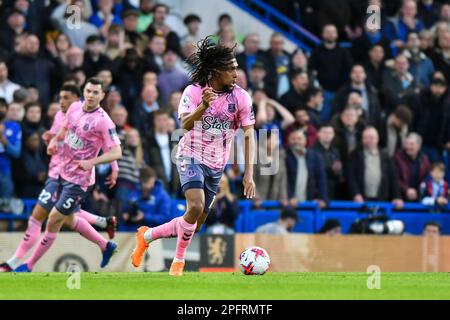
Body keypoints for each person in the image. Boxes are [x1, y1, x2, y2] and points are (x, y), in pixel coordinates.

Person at [131, 36, 256, 276]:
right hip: (190, 155)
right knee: (195, 205)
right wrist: (203, 108)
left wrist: (248, 174)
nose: (236, 73)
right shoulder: (194, 91)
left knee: (194, 224)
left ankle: (146, 235)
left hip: (217, 165)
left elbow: (249, 134)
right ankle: (178, 263)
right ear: (216, 70)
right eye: (231, 68)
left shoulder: (241, 97)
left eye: (236, 68)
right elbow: (185, 125)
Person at [0, 84, 118, 272]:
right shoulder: (61, 115)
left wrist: (114, 168)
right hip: (58, 172)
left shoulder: (96, 118)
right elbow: (60, 135)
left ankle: (18, 264)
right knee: (66, 218)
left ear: (77, 99)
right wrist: (52, 139)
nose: (61, 102)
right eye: (60, 97)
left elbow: (110, 147)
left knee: (53, 218)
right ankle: (105, 237)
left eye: (66, 98)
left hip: (78, 177)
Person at [347, 127, 403, 207]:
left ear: (377, 139)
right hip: (360, 200)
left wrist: (397, 196)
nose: (369, 140)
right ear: (362, 139)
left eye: (372, 137)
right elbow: (350, 177)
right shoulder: (354, 156)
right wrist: (355, 193)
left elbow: (393, 178)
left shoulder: (385, 156)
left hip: (381, 200)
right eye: (366, 137)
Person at [286, 130, 328, 208]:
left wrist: (322, 198)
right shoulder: (284, 157)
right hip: (289, 203)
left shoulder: (315, 157)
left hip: (310, 203)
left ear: (305, 141)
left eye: (299, 139)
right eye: (293, 138)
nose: (296, 141)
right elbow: (283, 180)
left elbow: (321, 179)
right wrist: (289, 197)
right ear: (288, 141)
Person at [121, 166, 171, 231]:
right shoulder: (134, 193)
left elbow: (165, 218)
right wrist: (126, 214)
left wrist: (144, 216)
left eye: (153, 182)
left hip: (153, 233)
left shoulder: (162, 196)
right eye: (150, 183)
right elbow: (126, 209)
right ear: (142, 182)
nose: (152, 185)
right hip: (133, 231)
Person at [394, 132, 430, 202]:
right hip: (401, 198)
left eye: (411, 144)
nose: (408, 147)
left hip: (419, 198)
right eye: (407, 144)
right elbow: (395, 179)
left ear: (418, 146)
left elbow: (427, 178)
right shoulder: (397, 158)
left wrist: (419, 191)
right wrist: (406, 190)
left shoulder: (425, 160)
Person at [313, 124, 344, 200]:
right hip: (317, 190)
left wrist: (338, 171)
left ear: (333, 135)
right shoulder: (312, 151)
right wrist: (330, 168)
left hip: (333, 190)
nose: (327, 135)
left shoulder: (335, 151)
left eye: (330, 133)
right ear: (318, 134)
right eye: (324, 132)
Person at [0, 98, 21, 198]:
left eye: (2, 106)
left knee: (5, 205)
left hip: (5, 172)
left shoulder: (14, 127)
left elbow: (16, 153)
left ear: (6, 109)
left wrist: (2, 139)